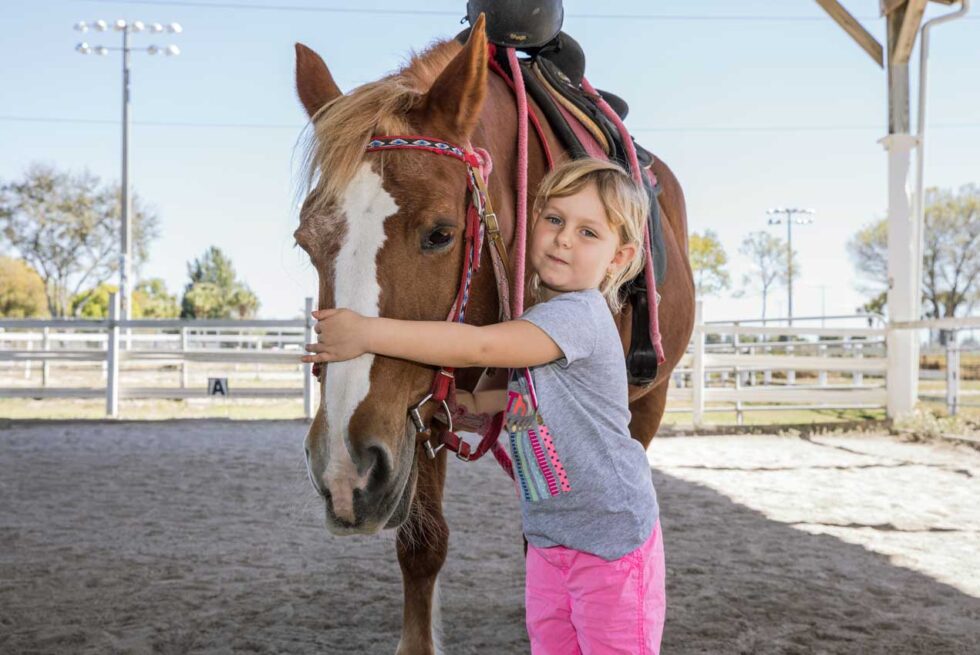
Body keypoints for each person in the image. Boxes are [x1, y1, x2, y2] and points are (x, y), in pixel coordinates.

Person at [303, 158, 665, 654]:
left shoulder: (579, 315)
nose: (563, 239)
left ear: (618, 257)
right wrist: (477, 403)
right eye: (554, 220)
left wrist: (366, 333)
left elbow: (480, 347)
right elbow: (539, 397)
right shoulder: (546, 314)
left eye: (587, 232)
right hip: (551, 536)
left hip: (609, 541)